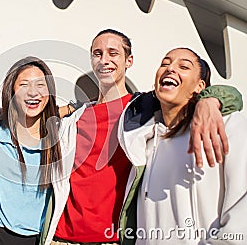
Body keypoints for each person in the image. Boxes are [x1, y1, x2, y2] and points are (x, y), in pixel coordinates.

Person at [41, 30, 242, 245]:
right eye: (97, 53)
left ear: (129, 61)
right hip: (60, 237)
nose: (104, 60)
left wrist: (209, 100)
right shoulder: (75, 117)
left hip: (111, 239)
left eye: (113, 53)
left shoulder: (143, 108)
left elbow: (230, 95)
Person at [118, 47, 247, 244]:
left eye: (184, 66)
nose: (170, 69)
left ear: (200, 86)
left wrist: (210, 101)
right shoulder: (145, 143)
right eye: (165, 63)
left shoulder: (226, 124)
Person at [0, 56, 85, 245]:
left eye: (40, 85)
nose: (33, 92)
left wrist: (74, 107)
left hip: (34, 240)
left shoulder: (60, 136)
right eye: (24, 85)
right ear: (12, 91)